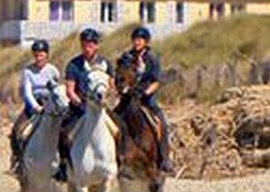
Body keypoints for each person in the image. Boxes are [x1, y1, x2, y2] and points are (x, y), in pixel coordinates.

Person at [57, 27, 114, 182]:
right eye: (84, 44)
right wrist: (80, 104)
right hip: (79, 108)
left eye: (90, 44)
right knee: (64, 132)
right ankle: (63, 166)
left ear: (96, 45)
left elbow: (111, 85)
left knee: (119, 130)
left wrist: (106, 100)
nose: (87, 47)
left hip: (100, 108)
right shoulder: (74, 64)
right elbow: (70, 90)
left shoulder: (106, 63)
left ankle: (119, 162)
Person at [119, 26, 174, 172]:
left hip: (146, 99)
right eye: (135, 39)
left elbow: (156, 81)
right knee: (113, 120)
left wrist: (146, 93)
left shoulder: (152, 59)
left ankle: (165, 158)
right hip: (128, 98)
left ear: (146, 42)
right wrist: (122, 88)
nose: (137, 42)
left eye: (140, 39)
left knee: (162, 123)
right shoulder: (127, 57)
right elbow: (120, 75)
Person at [9, 38, 61, 173]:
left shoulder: (53, 70)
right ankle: (18, 161)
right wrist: (35, 106)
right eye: (37, 55)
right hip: (33, 105)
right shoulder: (28, 71)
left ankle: (64, 163)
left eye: (42, 55)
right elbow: (27, 91)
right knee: (17, 130)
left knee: (65, 130)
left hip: (51, 105)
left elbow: (57, 90)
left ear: (47, 55)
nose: (39, 58)